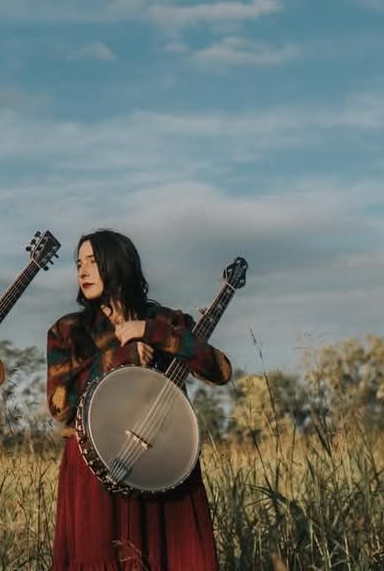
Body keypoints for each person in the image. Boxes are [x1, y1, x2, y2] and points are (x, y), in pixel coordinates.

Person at [46, 229, 232, 571]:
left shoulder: (163, 320)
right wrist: (115, 360)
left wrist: (153, 332)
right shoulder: (69, 331)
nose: (82, 271)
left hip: (164, 462)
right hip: (95, 468)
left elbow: (220, 370)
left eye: (92, 261)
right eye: (78, 264)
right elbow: (59, 406)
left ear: (118, 264)